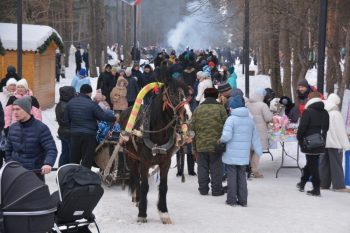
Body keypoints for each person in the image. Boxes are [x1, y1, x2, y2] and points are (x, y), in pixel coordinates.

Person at [219, 96, 262, 207]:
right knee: (242, 177)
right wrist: (258, 150)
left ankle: (231, 200)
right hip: (243, 155)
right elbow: (256, 137)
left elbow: (226, 136)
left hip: (231, 155)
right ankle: (243, 201)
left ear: (232, 107)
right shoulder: (249, 120)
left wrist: (221, 140)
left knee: (232, 177)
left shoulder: (231, 119)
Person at [64, 84, 116, 169]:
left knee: (74, 158)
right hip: (89, 135)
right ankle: (85, 179)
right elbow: (102, 116)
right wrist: (113, 118)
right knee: (87, 159)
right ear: (90, 93)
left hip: (74, 135)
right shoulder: (92, 104)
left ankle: (73, 177)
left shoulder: (70, 103)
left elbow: (66, 120)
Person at [5, 97, 57, 181]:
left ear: (27, 110)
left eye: (18, 109)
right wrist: (11, 163)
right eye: (13, 109)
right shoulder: (13, 127)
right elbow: (8, 149)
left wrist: (48, 163)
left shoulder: (41, 128)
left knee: (36, 194)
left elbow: (51, 149)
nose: (15, 112)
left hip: (35, 171)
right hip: (16, 171)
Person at [191, 88, 227, 196]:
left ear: (205, 96)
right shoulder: (221, 109)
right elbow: (226, 126)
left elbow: (192, 128)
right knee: (216, 168)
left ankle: (203, 189)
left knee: (202, 167)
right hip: (216, 145)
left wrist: (194, 146)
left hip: (201, 144)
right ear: (216, 96)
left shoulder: (198, 109)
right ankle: (216, 190)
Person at [297, 92, 329, 196]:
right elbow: (326, 128)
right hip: (320, 141)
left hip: (309, 142)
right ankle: (302, 183)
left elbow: (302, 127)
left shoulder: (308, 111)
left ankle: (316, 188)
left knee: (312, 164)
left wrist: (299, 138)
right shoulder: (325, 112)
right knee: (311, 163)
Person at [320, 93, 350, 192]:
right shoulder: (336, 114)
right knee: (336, 165)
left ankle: (323, 184)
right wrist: (347, 146)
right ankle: (339, 186)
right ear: (336, 103)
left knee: (324, 164)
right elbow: (340, 132)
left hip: (323, 143)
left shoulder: (323, 111)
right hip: (335, 143)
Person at [246, 88, 273, 178]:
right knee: (257, 150)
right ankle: (254, 170)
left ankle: (249, 169)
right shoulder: (263, 105)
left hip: (249, 130)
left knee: (250, 150)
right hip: (260, 131)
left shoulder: (247, 104)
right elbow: (268, 118)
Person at [55, 86, 75, 167]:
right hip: (67, 132)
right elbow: (67, 120)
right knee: (67, 153)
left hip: (64, 131)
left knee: (66, 152)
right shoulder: (66, 105)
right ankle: (63, 169)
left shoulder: (61, 103)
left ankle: (63, 168)